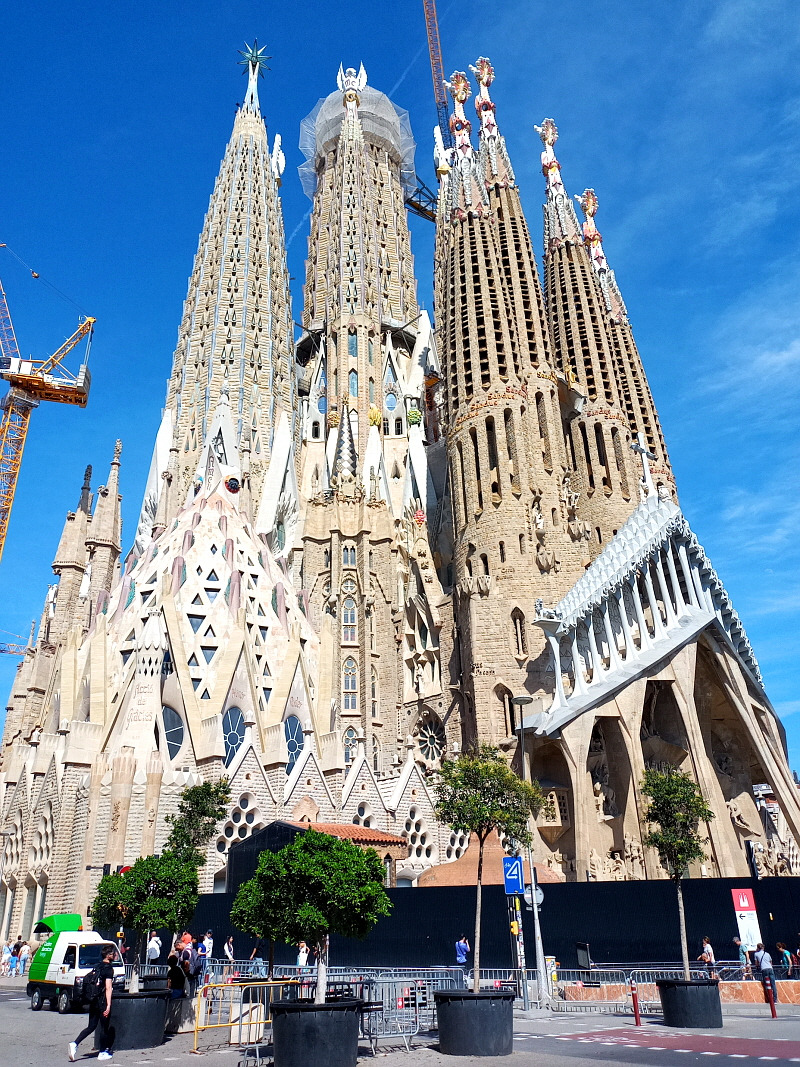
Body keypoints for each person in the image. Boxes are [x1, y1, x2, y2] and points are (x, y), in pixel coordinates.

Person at [69, 944, 116, 1061]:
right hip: (102, 1000)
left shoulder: (97, 966)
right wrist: (109, 1005)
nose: (115, 955)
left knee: (91, 1026)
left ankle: (75, 1043)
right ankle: (102, 1052)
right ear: (109, 955)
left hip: (93, 1000)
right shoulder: (109, 969)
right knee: (104, 1027)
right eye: (113, 954)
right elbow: (108, 988)